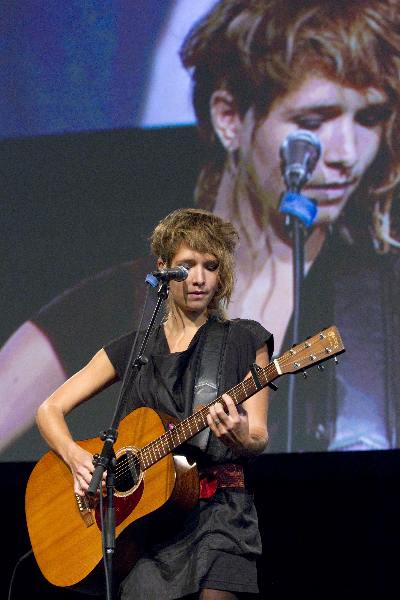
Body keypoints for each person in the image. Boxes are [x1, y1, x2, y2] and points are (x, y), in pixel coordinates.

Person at [2, 0, 400, 457]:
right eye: (312, 122)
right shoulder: (118, 301)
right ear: (230, 117)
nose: (347, 152)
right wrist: (77, 463)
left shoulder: (380, 299)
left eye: (369, 118)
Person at [35, 208, 274, 599]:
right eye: (187, 265)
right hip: (147, 527)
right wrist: (75, 458)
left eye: (210, 266)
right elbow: (49, 409)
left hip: (220, 518)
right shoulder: (135, 348)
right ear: (163, 268)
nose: (199, 278)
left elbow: (259, 436)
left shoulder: (245, 340)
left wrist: (238, 439)